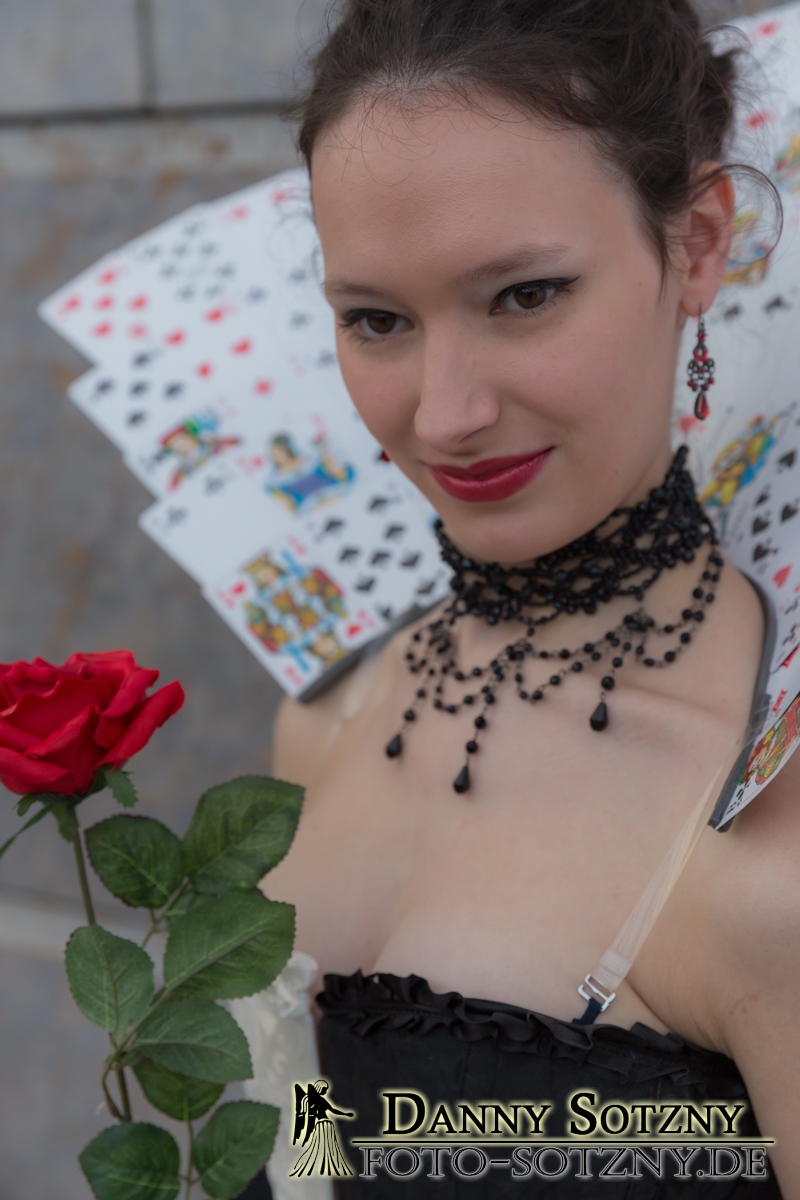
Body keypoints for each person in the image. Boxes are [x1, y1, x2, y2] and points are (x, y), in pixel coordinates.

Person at [242, 1, 799, 1194]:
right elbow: (306, 1151)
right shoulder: (324, 720)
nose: (443, 415)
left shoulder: (759, 838)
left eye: (523, 296)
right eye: (375, 320)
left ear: (699, 243)